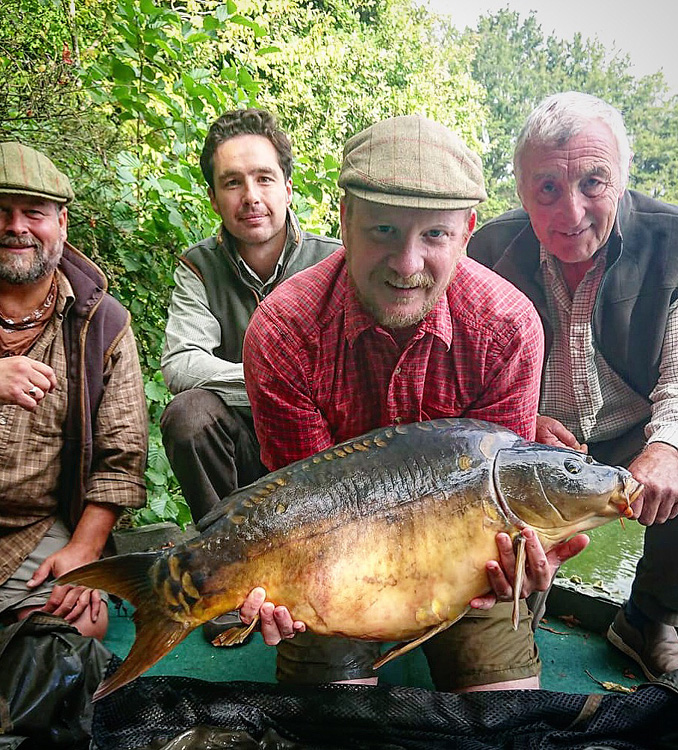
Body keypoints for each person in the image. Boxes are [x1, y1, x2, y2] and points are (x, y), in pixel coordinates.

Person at [238, 114, 586, 692]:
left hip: (465, 569)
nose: (406, 263)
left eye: (434, 236)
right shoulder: (283, 329)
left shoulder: (509, 328)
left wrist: (520, 563)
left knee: (502, 719)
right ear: (345, 220)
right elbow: (306, 511)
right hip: (334, 556)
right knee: (337, 723)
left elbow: (502, 502)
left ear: (468, 231)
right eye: (383, 231)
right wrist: (287, 588)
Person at [468, 91, 678, 681]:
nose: (571, 212)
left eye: (593, 182)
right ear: (522, 191)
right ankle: (514, 609)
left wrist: (666, 445)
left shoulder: (672, 240)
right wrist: (523, 420)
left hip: (634, 428)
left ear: (622, 182)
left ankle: (648, 617)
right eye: (548, 190)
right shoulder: (487, 249)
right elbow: (469, 368)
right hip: (533, 436)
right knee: (502, 589)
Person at [0, 142, 148, 692]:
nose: (16, 227)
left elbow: (123, 458)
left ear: (61, 223)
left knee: (82, 624)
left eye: (34, 213)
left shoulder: (103, 324)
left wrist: (83, 550)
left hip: (21, 527)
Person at [160, 108, 339, 524]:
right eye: (232, 183)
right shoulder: (199, 267)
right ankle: (226, 548)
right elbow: (181, 364)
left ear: (288, 188)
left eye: (263, 178)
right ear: (213, 198)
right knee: (188, 415)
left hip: (324, 450)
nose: (251, 197)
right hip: (240, 450)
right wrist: (276, 386)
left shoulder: (334, 261)